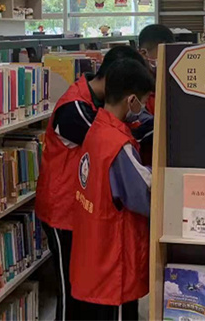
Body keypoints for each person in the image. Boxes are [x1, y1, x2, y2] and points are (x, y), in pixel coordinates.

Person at [37, 45, 146, 321]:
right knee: (71, 290)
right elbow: (108, 142)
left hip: (85, 212)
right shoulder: (74, 108)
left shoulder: (99, 104)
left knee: (90, 290)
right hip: (63, 211)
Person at [70, 58, 155, 321]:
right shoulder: (118, 144)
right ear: (132, 101)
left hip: (93, 254)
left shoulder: (98, 128)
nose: (143, 109)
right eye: (143, 102)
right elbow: (143, 196)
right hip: (113, 264)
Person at [138, 24, 175, 115]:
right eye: (161, 54)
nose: (166, 59)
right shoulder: (138, 88)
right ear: (143, 53)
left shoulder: (169, 79)